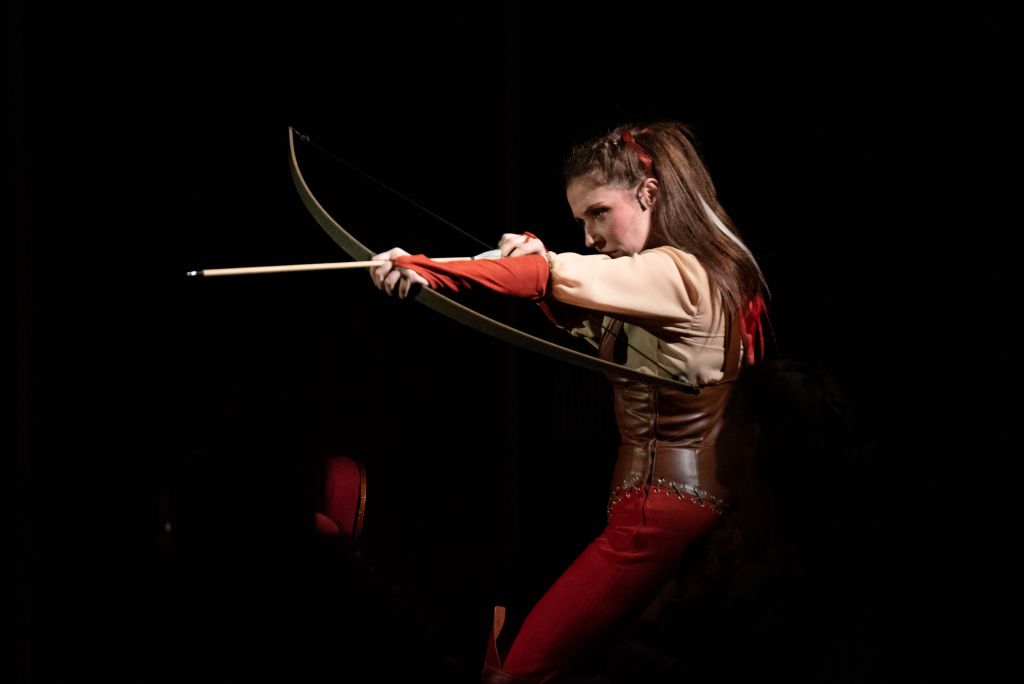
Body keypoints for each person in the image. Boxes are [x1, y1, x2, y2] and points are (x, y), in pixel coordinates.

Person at [369, 121, 768, 683]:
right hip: (670, 512)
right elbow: (576, 301)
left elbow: (556, 274)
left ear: (649, 194)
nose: (590, 236)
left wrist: (433, 270)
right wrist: (517, 264)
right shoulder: (676, 276)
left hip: (660, 517)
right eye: (581, 220)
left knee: (524, 670)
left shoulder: (678, 270)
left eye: (599, 213)